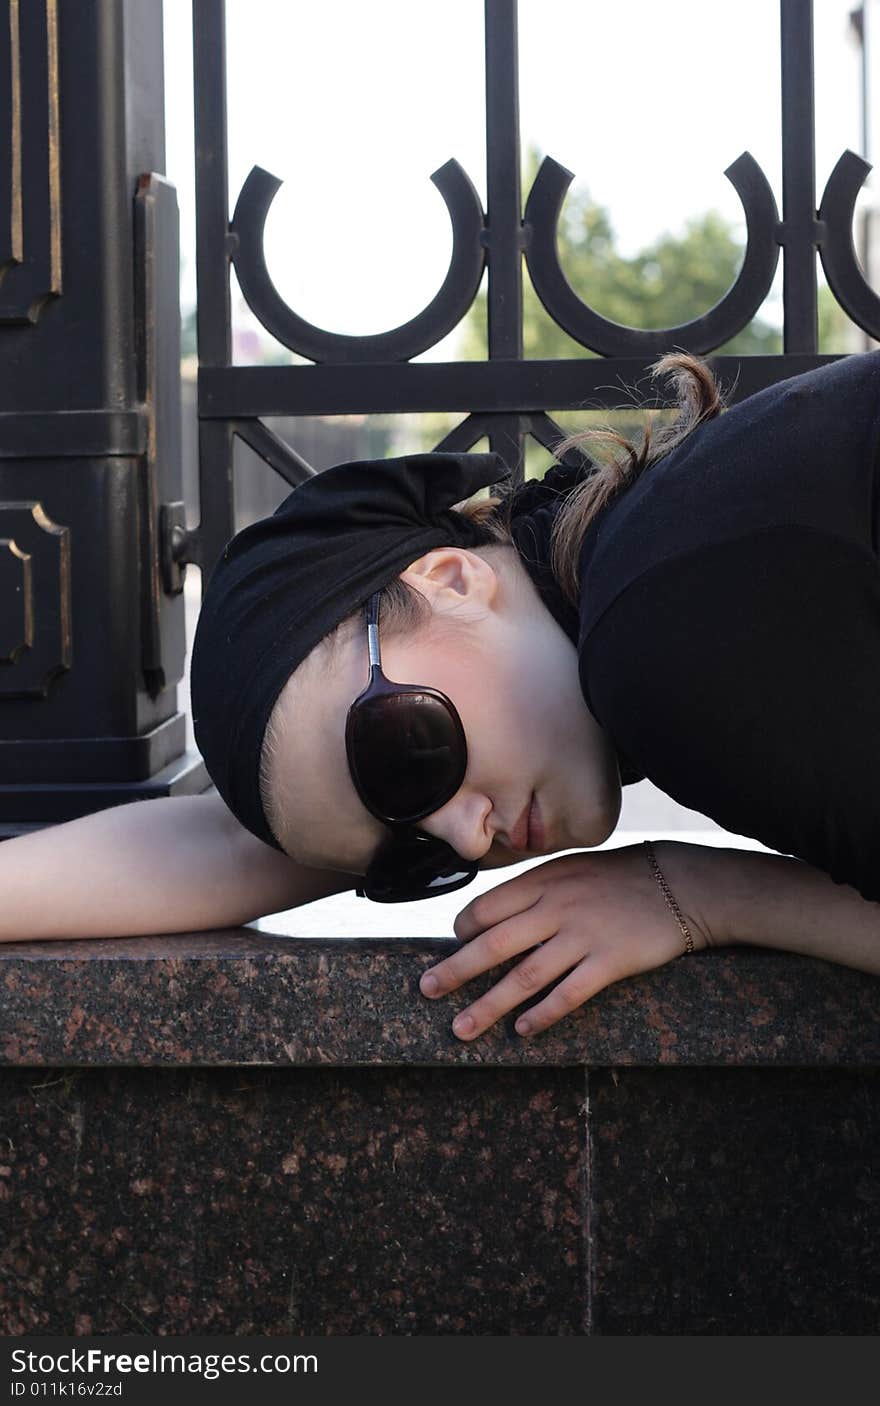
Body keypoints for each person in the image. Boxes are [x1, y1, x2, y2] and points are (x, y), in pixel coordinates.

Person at [3, 352, 880, 1042]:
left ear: (449, 578)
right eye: (412, 861)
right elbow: (243, 844)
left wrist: (703, 895)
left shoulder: (655, 642)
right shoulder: (659, 565)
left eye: (409, 757)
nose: (469, 836)